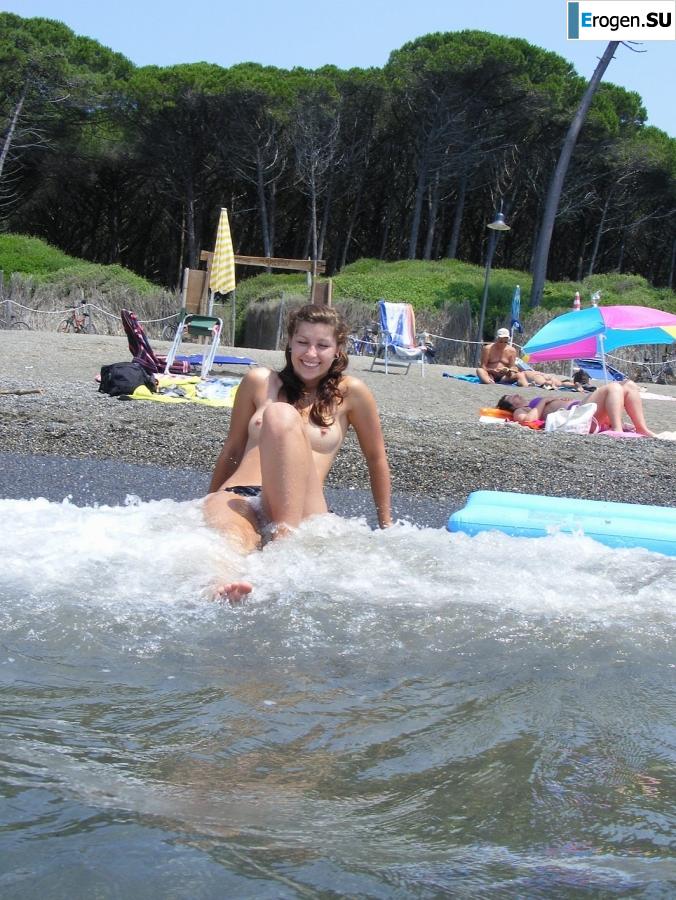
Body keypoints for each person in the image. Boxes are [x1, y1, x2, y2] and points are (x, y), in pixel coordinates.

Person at [204, 304, 392, 600]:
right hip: (241, 494)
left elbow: (376, 459)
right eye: (303, 343)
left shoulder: (352, 393)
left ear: (338, 349)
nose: (311, 354)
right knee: (230, 542)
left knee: (280, 415)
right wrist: (207, 499)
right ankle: (223, 588)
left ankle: (282, 547)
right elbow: (233, 447)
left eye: (322, 345)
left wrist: (386, 525)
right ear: (289, 342)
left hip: (303, 502)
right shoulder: (258, 382)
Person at [496, 380, 655, 436]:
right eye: (511, 398)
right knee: (613, 388)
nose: (515, 395)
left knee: (629, 385)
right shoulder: (521, 410)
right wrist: (544, 401)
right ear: (510, 406)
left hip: (581, 409)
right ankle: (617, 429)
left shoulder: (531, 403)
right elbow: (527, 420)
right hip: (578, 416)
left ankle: (642, 428)